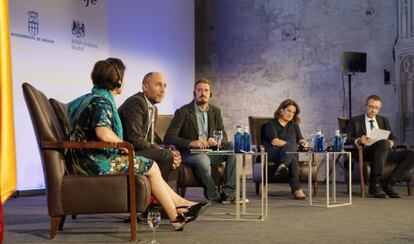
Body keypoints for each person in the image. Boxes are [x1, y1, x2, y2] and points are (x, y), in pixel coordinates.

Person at [67, 58, 204, 231]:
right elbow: (103, 131)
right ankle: (177, 212)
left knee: (151, 165)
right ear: (116, 80)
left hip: (84, 158)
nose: (124, 82)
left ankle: (178, 208)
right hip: (91, 161)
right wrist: (123, 145)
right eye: (123, 77)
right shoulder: (102, 101)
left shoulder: (92, 97)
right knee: (151, 165)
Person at [164, 78, 236, 203]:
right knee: (203, 160)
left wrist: (217, 140)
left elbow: (223, 135)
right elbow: (169, 137)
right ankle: (213, 194)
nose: (203, 93)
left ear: (210, 94)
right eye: (200, 90)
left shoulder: (215, 111)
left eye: (206, 90)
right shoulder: (183, 112)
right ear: (194, 93)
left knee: (232, 147)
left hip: (211, 150)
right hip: (190, 153)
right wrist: (191, 142)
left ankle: (229, 193)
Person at [346, 95, 414, 198]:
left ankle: (389, 184)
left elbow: (393, 137)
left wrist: (391, 143)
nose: (373, 110)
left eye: (376, 108)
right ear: (365, 106)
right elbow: (346, 138)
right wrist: (359, 140)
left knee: (411, 154)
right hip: (365, 151)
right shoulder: (355, 120)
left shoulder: (383, 120)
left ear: (379, 109)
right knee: (383, 143)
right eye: (371, 106)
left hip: (383, 150)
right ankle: (374, 184)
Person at [118, 72, 181, 181]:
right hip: (128, 152)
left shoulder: (153, 109)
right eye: (158, 85)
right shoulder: (135, 103)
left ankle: (163, 193)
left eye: (165, 86)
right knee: (166, 156)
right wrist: (162, 150)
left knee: (173, 155)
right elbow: (135, 139)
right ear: (145, 87)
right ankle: (157, 195)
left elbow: (151, 139)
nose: (163, 90)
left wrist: (169, 150)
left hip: (139, 149)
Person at [262, 99, 307, 200]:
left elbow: (300, 139)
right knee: (292, 150)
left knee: (292, 154)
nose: (291, 114)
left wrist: (303, 142)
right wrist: (292, 145)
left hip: (288, 154)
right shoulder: (271, 124)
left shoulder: (294, 125)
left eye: (293, 112)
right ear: (281, 110)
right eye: (289, 111)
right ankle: (297, 189)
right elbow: (274, 141)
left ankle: (283, 165)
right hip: (273, 152)